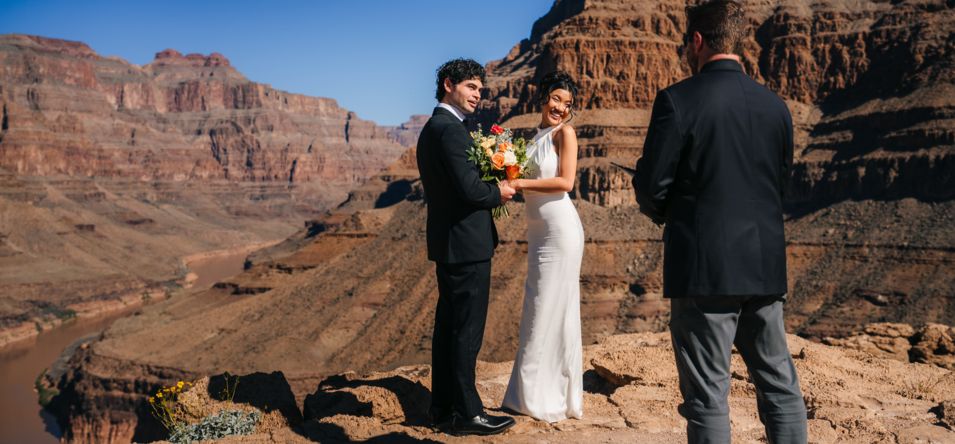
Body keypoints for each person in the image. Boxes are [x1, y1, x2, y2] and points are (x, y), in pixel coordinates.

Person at [631, 1, 808, 443]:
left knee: (708, 394)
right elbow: (780, 186)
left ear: (697, 41)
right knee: (780, 386)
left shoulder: (678, 100)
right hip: (764, 266)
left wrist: (663, 210)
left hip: (705, 271)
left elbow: (652, 187)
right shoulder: (776, 107)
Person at [415, 58, 517, 436]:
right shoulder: (452, 130)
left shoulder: (433, 128)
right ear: (448, 85)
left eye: (480, 87)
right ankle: (468, 413)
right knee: (466, 332)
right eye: (471, 86)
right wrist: (501, 190)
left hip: (448, 243)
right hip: (466, 246)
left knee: (448, 328)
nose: (479, 94)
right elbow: (470, 189)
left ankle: (441, 408)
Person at [501, 70, 585, 423]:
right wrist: (504, 170)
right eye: (556, 99)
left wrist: (520, 184)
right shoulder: (538, 135)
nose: (560, 108)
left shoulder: (566, 133)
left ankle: (535, 400)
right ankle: (541, 393)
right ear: (543, 97)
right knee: (540, 305)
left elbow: (565, 182)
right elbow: (519, 177)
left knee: (547, 307)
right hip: (539, 233)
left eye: (567, 104)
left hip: (560, 232)